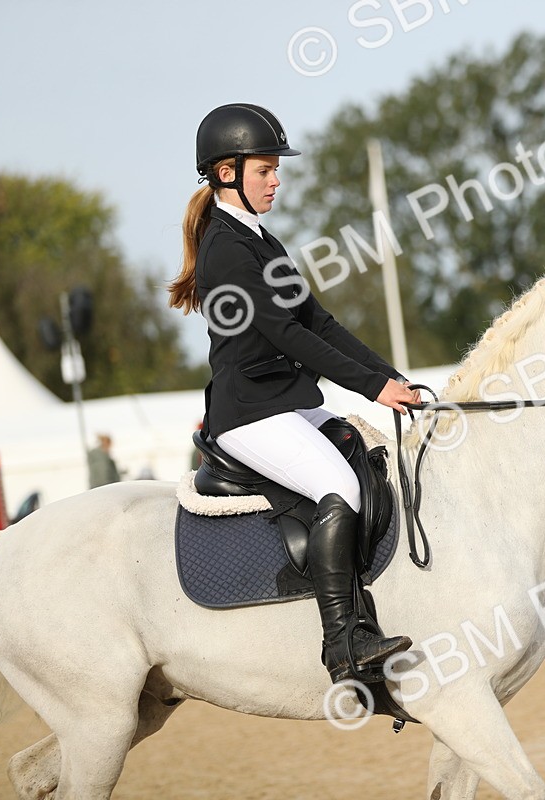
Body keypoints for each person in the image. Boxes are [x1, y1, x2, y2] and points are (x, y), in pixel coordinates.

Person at [167, 103, 416, 685]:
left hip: (286, 401)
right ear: (226, 173)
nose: (277, 179)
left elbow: (318, 322)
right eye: (265, 170)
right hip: (249, 413)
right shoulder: (227, 249)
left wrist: (391, 376)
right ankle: (344, 643)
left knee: (366, 452)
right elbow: (287, 335)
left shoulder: (261, 241)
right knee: (338, 484)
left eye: (276, 168)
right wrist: (374, 387)